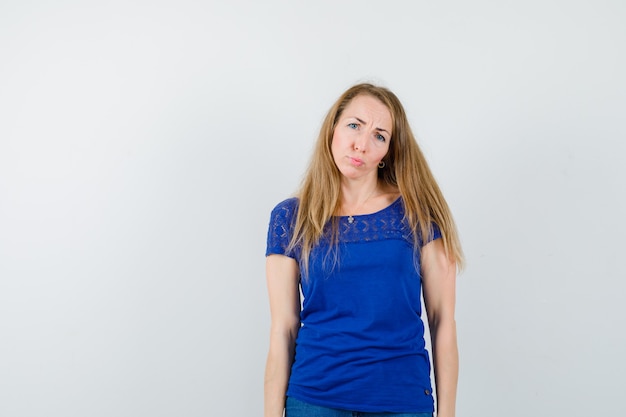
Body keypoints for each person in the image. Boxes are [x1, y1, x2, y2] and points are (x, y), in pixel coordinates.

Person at [264, 83, 464, 417]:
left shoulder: (419, 213)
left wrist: (448, 414)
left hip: (402, 399)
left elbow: (443, 321)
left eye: (379, 136)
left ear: (388, 152)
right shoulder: (290, 218)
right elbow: (283, 327)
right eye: (355, 125)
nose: (362, 145)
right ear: (333, 128)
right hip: (314, 399)